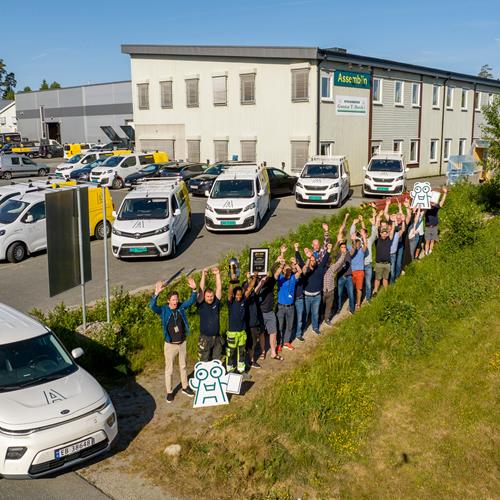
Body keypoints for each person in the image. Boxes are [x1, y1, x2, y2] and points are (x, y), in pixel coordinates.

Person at [150, 277, 198, 403]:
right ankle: (169, 392)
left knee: (183, 366)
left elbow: (191, 301)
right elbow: (152, 306)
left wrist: (194, 289)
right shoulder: (164, 310)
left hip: (182, 343)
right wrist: (156, 294)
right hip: (170, 345)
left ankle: (185, 387)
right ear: (168, 301)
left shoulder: (181, 307)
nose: (175, 302)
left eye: (176, 299)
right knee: (169, 369)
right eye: (173, 300)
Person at [226, 272, 258, 374]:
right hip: (232, 333)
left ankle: (241, 370)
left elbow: (250, 288)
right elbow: (229, 292)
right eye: (237, 295)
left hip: (242, 333)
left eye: (240, 294)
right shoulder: (231, 302)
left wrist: (255, 277)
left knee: (242, 352)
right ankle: (230, 371)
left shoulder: (244, 300)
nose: (239, 296)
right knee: (230, 353)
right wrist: (232, 282)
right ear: (235, 295)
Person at [302, 243, 332, 335]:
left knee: (315, 313)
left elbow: (325, 258)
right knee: (306, 314)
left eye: (314, 260)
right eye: (311, 260)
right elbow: (304, 270)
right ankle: (302, 328)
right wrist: (307, 258)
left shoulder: (319, 267)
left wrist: (329, 250)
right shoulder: (307, 270)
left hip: (317, 296)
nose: (313, 261)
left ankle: (315, 327)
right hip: (307, 296)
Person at [276, 246, 302, 351]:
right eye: (286, 269)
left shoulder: (293, 278)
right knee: (280, 326)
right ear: (283, 271)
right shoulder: (280, 278)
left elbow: (300, 272)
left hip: (291, 307)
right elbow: (277, 271)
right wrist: (282, 254)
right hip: (281, 307)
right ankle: (279, 343)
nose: (288, 271)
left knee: (290, 326)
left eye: (289, 269)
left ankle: (286, 342)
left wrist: (295, 264)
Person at [257, 261, 284, 361]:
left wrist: (280, 263)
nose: (264, 276)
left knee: (273, 332)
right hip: (260, 313)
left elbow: (276, 273)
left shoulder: (270, 282)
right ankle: (263, 352)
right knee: (262, 334)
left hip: (270, 312)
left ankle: (273, 352)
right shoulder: (257, 283)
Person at [196, 267, 222, 362]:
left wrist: (217, 274)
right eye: (208, 296)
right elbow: (201, 289)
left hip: (216, 338)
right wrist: (203, 275)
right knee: (204, 361)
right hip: (205, 338)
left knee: (216, 361)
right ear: (204, 296)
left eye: (211, 296)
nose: (210, 298)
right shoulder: (201, 304)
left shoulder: (216, 302)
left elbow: (219, 288)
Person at [373, 222, 404, 294]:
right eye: (383, 233)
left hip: (387, 264)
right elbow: (376, 231)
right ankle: (375, 291)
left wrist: (393, 222)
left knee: (385, 279)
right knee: (377, 279)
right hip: (379, 264)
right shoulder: (377, 241)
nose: (384, 234)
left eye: (385, 233)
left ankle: (386, 292)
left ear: (387, 233)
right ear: (380, 233)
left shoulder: (389, 240)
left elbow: (392, 231)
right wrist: (377, 221)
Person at [243, 272, 265, 369]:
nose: (250, 288)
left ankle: (250, 360)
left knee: (253, 343)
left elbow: (260, 285)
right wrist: (252, 278)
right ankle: (249, 361)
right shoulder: (244, 298)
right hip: (249, 324)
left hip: (255, 323)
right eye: (247, 287)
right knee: (250, 344)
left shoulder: (254, 294)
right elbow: (251, 286)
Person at [349, 217, 368, 311]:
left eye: (358, 242)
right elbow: (352, 235)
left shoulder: (362, 250)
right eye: (356, 242)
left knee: (359, 289)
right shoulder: (350, 247)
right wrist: (354, 224)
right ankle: (351, 303)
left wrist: (363, 236)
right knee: (351, 289)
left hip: (360, 271)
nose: (357, 243)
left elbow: (366, 245)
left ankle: (358, 303)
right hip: (351, 271)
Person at [424, 187, 448, 255]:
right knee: (427, 241)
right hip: (428, 227)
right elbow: (424, 210)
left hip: (434, 226)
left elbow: (442, 202)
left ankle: (430, 251)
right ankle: (426, 252)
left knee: (432, 240)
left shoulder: (436, 206)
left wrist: (445, 193)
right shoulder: (426, 207)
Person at [293, 242, 307, 342]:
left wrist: (296, 250)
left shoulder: (301, 275)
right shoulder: (288, 275)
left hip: (299, 299)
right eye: (293, 265)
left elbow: (302, 266)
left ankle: (298, 334)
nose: (294, 266)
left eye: (296, 264)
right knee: (290, 320)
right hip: (289, 300)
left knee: (299, 318)